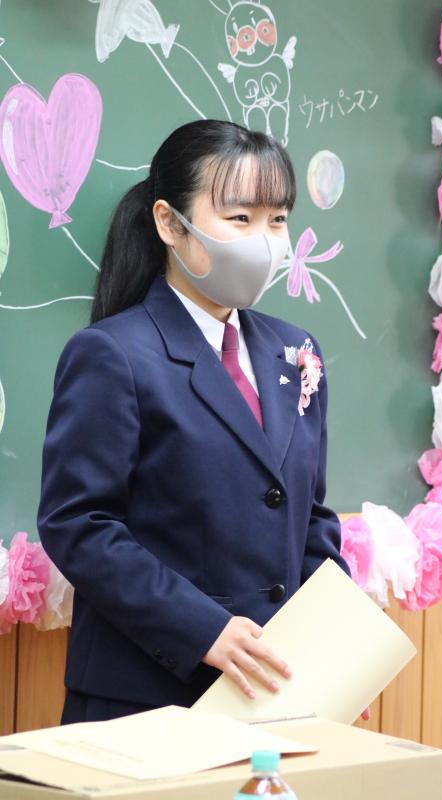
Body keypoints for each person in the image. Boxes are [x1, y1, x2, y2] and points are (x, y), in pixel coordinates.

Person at [37, 119, 351, 724]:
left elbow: (309, 517)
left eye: (278, 219)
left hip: (274, 691)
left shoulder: (295, 352)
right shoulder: (113, 354)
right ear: (168, 223)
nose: (264, 241)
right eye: (240, 218)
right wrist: (203, 629)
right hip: (148, 701)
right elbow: (79, 524)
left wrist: (337, 648)